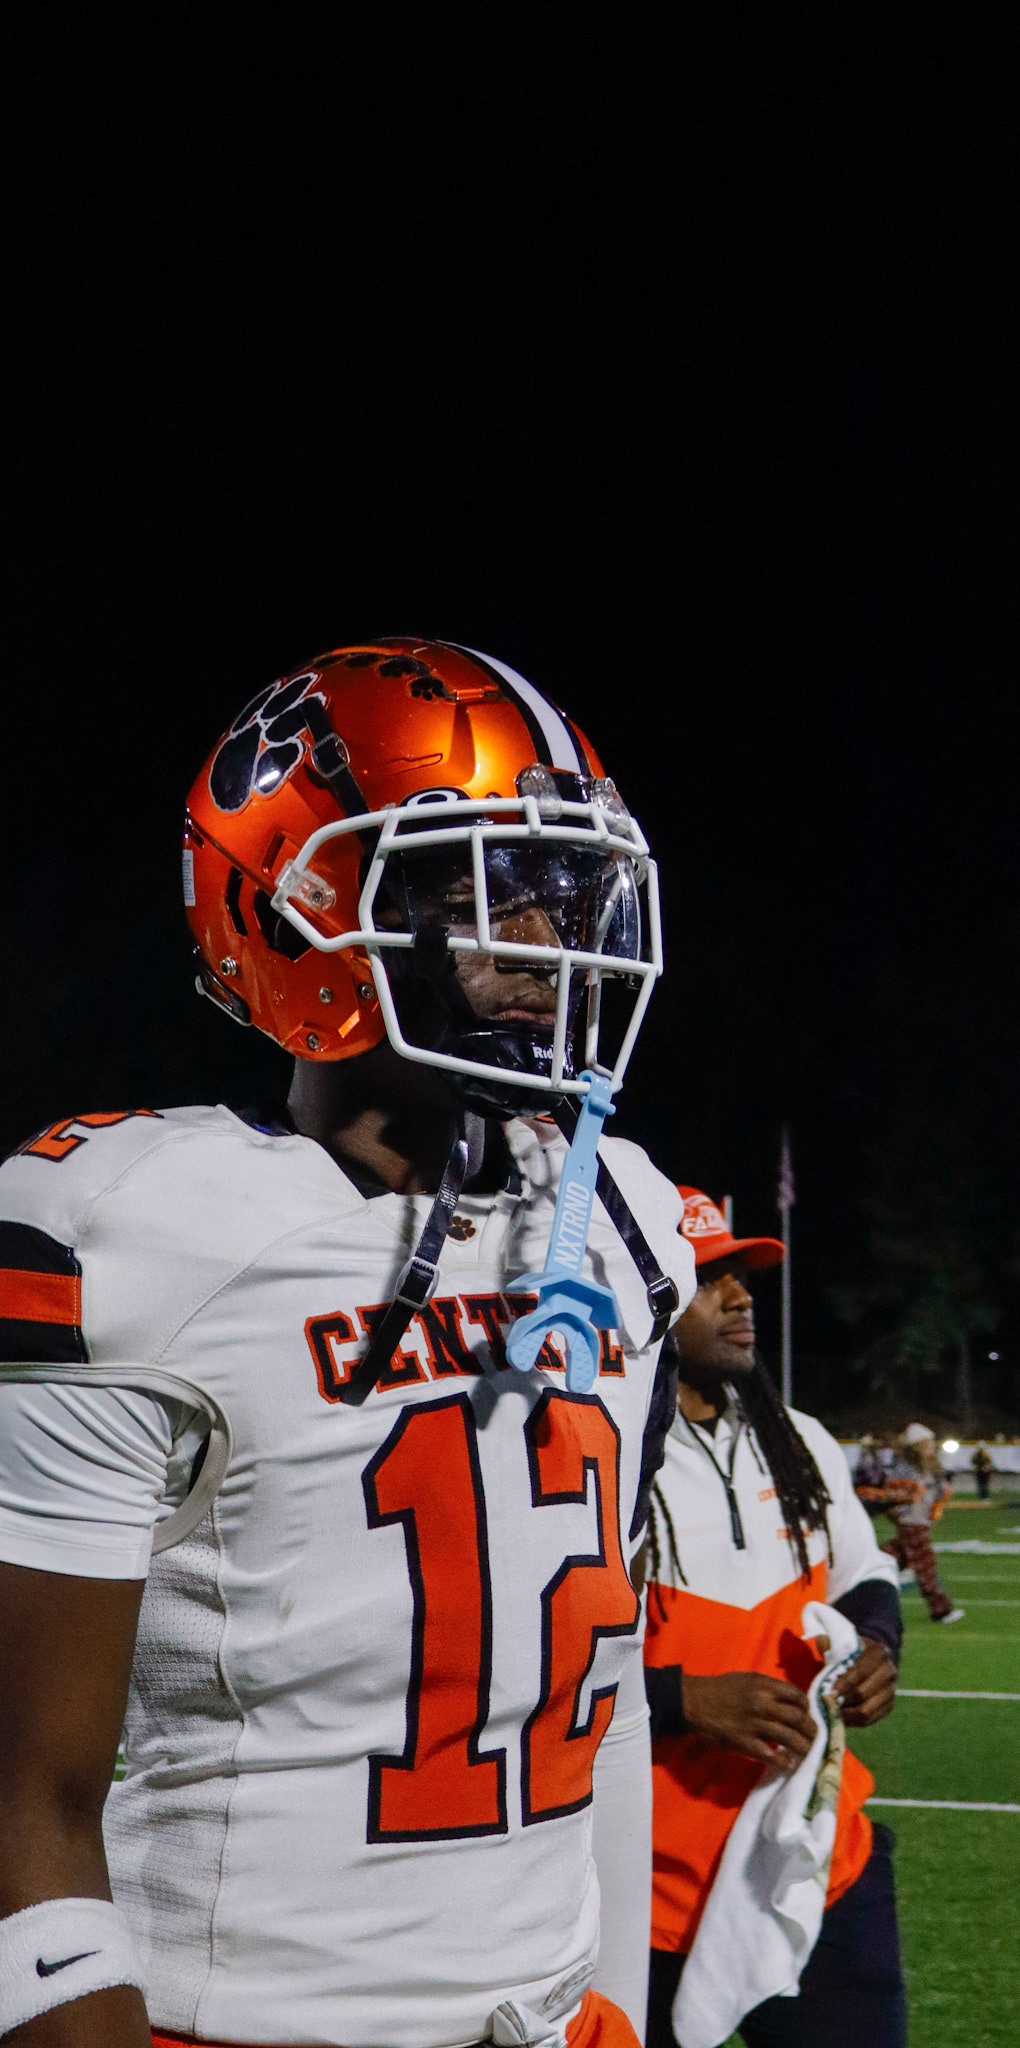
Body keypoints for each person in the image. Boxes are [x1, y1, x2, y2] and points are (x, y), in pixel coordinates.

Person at [0, 641, 697, 2048]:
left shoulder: (617, 1223)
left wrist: (612, 2002)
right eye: (478, 891)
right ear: (297, 901)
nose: (546, 943)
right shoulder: (134, 1232)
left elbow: (603, 1689)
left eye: (563, 892)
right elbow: (23, 1800)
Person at [643, 1188, 907, 2048]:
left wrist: (876, 1647)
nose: (739, 1296)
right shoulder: (592, 1452)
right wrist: (681, 1700)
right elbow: (532, 1658)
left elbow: (864, 1574)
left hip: (814, 1857)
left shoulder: (797, 1437)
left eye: (740, 1276)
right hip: (646, 1880)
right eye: (705, 1278)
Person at [855, 1424, 963, 1624]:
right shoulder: (905, 1467)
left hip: (920, 1520)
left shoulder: (930, 1466)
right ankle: (940, 1610)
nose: (930, 1447)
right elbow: (895, 1491)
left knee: (888, 1559)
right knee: (925, 1566)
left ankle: (857, 1582)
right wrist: (900, 1509)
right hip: (911, 1521)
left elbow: (937, 1491)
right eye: (926, 1443)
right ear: (916, 1446)